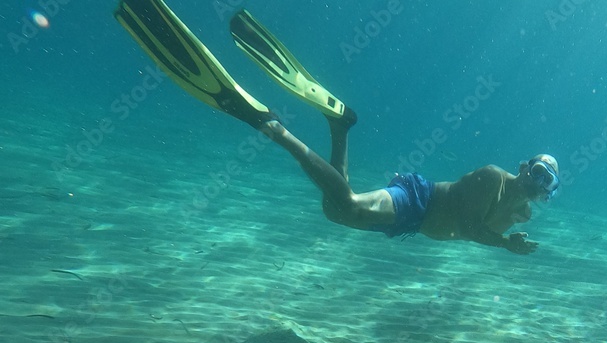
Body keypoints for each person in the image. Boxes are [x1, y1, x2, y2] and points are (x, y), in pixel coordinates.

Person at [115, 0, 560, 254]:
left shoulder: (517, 208)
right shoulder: (491, 178)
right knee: (344, 204)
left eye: (547, 183)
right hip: (419, 199)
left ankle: (339, 124)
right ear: (522, 166)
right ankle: (271, 127)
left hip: (414, 219)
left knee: (335, 208)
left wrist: (509, 233)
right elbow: (465, 228)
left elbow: (482, 228)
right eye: (537, 171)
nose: (537, 183)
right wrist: (505, 246)